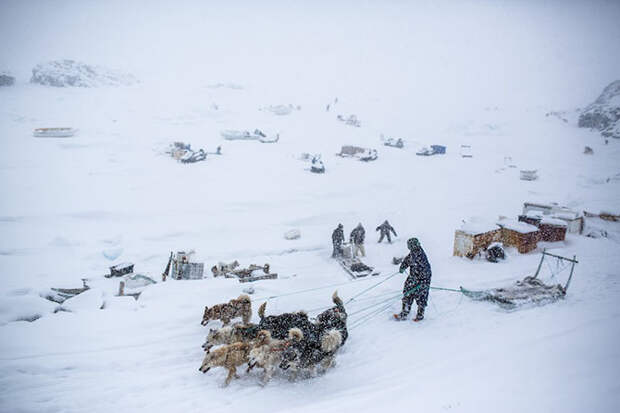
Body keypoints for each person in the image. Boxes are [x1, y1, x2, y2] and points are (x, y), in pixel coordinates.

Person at [394, 238, 432, 322]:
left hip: (423, 279)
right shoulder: (413, 253)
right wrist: (402, 267)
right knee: (407, 293)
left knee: (421, 296)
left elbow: (425, 270)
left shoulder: (420, 255)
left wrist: (422, 282)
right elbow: (407, 260)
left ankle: (420, 315)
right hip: (413, 277)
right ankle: (405, 312)